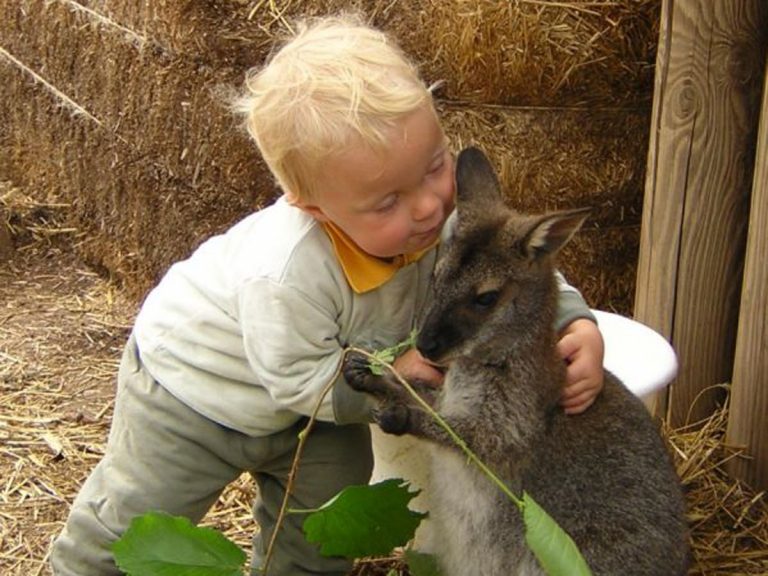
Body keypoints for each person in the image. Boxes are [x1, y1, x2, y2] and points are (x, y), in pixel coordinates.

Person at [50, 13, 605, 576]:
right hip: (197, 395)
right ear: (314, 209)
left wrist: (577, 324)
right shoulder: (287, 271)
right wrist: (403, 376)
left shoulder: (444, 226)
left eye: (435, 167)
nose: (427, 207)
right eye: (388, 202)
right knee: (138, 515)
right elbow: (294, 375)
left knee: (323, 532)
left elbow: (518, 275)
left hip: (319, 413)